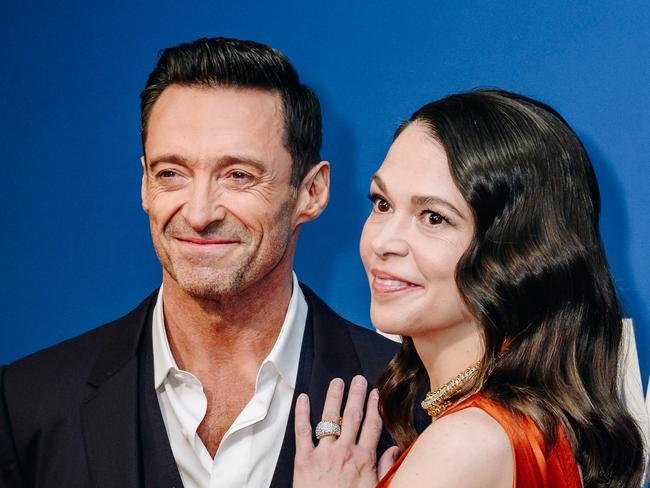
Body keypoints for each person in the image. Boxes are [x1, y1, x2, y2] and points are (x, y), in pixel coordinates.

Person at [0, 37, 399, 488]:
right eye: (171, 173)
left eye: (238, 175)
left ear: (311, 192)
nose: (199, 212)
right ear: (145, 185)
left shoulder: (406, 398)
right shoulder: (29, 404)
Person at [293, 89, 646, 487]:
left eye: (433, 218)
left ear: (518, 251)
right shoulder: (528, 425)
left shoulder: (464, 444)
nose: (382, 242)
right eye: (382, 204)